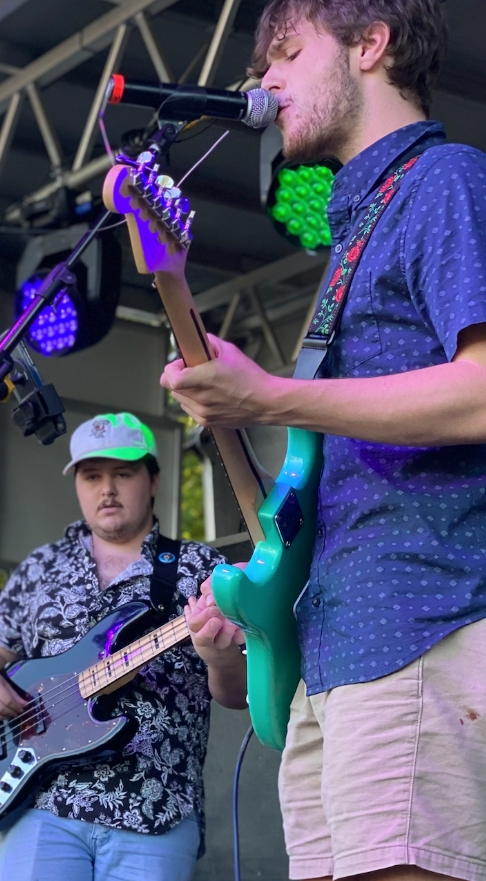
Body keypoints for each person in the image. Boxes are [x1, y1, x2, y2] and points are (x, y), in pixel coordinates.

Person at [161, 2, 486, 879]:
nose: (262, 81)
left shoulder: (445, 181)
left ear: (370, 45)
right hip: (332, 644)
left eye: (286, 53)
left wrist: (270, 394)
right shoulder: (354, 226)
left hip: (415, 622)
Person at [0, 412, 247, 881]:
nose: (106, 489)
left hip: (155, 805)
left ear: (153, 480)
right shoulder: (41, 567)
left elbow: (236, 695)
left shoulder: (200, 568)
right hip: (41, 802)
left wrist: (218, 656)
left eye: (123, 473)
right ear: (77, 485)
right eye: (92, 476)